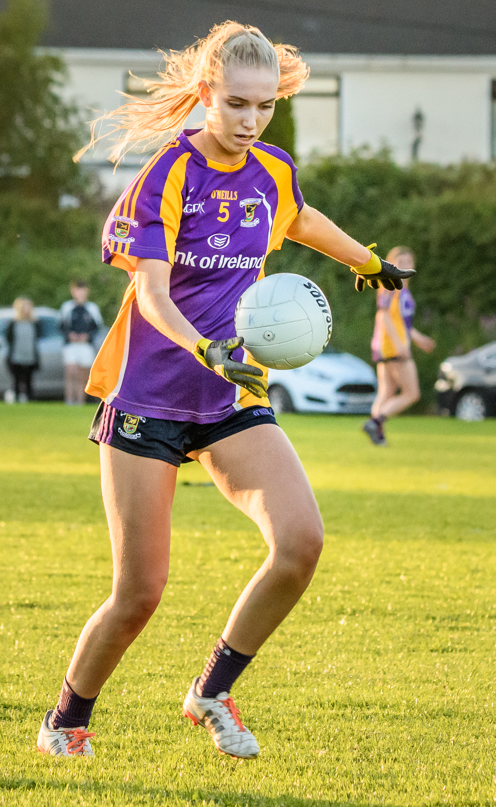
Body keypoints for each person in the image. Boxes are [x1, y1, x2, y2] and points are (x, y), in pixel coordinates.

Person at [37, 21, 414, 758]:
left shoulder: (271, 169)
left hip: (230, 395)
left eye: (265, 106)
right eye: (237, 104)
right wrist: (203, 344)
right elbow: (149, 292)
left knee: (300, 542)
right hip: (149, 394)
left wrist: (362, 259)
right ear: (206, 94)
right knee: (140, 593)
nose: (250, 120)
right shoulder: (169, 173)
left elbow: (297, 217)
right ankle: (66, 720)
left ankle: (211, 689)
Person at [363, 246, 436, 446]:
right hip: (392, 346)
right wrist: (399, 344)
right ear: (391, 263)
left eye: (408, 262)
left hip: (388, 345)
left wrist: (418, 338)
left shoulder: (403, 288)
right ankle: (375, 422)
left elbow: (402, 322)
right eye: (400, 262)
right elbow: (383, 315)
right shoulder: (390, 284)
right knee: (412, 393)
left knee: (386, 392)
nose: (405, 266)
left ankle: (377, 433)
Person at [60, 280, 104, 405]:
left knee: (82, 373)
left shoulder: (91, 308)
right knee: (70, 372)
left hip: (85, 346)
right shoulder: (67, 307)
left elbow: (97, 328)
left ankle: (80, 401)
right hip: (71, 345)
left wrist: (87, 336)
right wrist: (70, 335)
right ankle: (69, 400)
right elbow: (62, 326)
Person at [4, 297, 41, 404]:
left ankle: (30, 400)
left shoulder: (34, 323)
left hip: (30, 356)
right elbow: (9, 339)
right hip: (16, 356)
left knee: (29, 381)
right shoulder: (14, 323)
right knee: (16, 380)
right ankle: (16, 399)